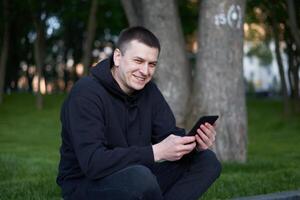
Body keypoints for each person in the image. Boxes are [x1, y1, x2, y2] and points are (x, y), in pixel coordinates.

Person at [57, 26, 221, 200]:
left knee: (207, 161)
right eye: (138, 61)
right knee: (140, 178)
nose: (145, 71)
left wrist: (194, 144)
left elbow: (168, 136)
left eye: (152, 64)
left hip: (139, 175)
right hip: (86, 185)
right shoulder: (86, 93)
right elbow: (93, 162)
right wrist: (155, 152)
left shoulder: (149, 91)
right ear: (118, 57)